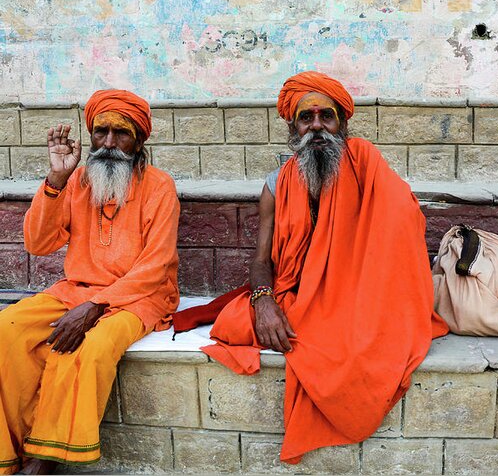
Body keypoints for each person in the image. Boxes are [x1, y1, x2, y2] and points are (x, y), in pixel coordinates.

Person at [174, 71, 448, 464]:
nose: (316, 126)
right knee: (236, 324)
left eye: (326, 116)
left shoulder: (365, 163)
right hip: (296, 294)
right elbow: (260, 259)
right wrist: (264, 301)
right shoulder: (277, 183)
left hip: (358, 294)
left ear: (343, 123)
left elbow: (403, 225)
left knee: (359, 348)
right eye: (307, 117)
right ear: (293, 125)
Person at [0, 90, 180, 474]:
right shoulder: (77, 180)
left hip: (139, 298)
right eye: (101, 132)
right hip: (75, 291)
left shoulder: (160, 186)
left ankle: (46, 459)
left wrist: (96, 307)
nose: (110, 143)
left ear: (140, 140)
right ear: (91, 134)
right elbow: (38, 242)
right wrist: (55, 180)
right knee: (7, 328)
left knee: (91, 344)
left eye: (121, 134)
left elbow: (156, 265)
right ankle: (12, 449)